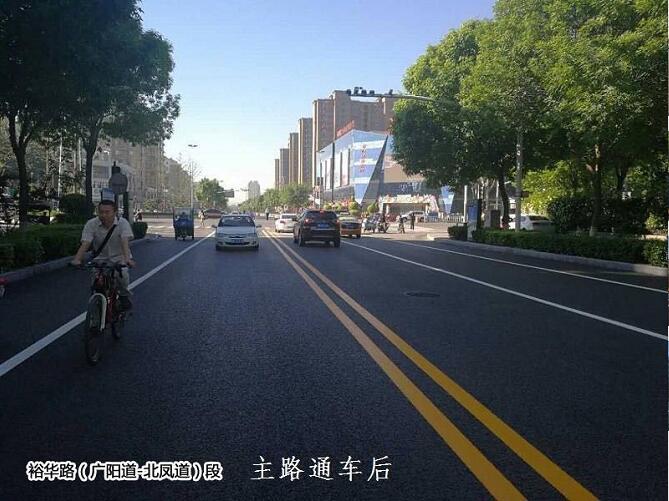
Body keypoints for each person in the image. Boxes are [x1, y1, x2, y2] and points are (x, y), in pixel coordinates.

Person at [71, 200, 135, 310]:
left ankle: (124, 296)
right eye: (101, 212)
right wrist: (77, 259)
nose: (103, 215)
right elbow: (86, 242)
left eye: (107, 212)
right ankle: (99, 305)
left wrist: (127, 259)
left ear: (115, 212)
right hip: (100, 258)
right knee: (96, 282)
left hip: (119, 257)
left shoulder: (122, 223)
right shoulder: (91, 224)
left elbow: (124, 241)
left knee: (122, 276)